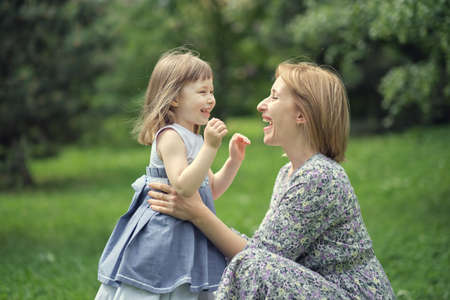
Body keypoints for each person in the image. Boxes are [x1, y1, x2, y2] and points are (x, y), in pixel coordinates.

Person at [148, 61, 396, 299]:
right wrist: (198, 220)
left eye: (274, 97)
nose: (261, 105)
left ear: (301, 115)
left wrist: (197, 214)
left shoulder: (319, 177)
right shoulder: (288, 173)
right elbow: (264, 251)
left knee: (251, 267)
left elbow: (257, 262)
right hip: (317, 288)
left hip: (349, 294)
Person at [95, 49, 251, 300]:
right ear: (175, 98)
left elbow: (208, 190)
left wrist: (234, 161)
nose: (210, 98)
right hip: (162, 233)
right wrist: (211, 147)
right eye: (202, 91)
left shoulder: (195, 138)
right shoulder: (170, 136)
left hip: (187, 230)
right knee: (156, 281)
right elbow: (182, 187)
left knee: (183, 284)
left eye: (211, 91)